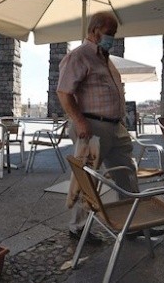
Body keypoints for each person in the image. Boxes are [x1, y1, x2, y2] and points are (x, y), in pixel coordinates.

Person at [57, 12, 157, 244]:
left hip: (114, 126)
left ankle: (132, 223)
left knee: (127, 173)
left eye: (114, 34)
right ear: (94, 31)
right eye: (109, 33)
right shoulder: (79, 56)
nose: (112, 38)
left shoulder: (105, 59)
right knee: (88, 177)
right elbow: (63, 92)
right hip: (92, 126)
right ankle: (78, 227)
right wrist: (80, 122)